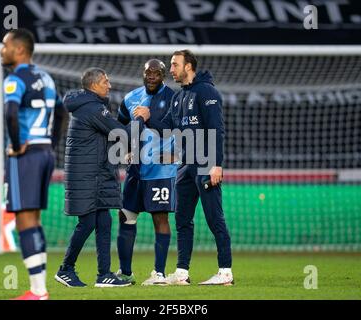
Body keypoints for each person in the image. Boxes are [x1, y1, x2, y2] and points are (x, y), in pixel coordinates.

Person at [134, 50, 234, 286]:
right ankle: (182, 273)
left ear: (188, 66)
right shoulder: (179, 97)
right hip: (185, 166)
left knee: (214, 218)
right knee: (182, 220)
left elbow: (216, 129)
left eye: (174, 64)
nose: (171, 69)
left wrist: (216, 164)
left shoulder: (207, 92)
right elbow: (166, 127)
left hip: (205, 163)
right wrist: (148, 118)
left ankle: (225, 272)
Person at [54, 67, 148, 288]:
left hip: (97, 175)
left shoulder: (89, 107)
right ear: (94, 84)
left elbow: (106, 138)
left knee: (104, 222)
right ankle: (66, 269)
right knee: (87, 224)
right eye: (106, 81)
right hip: (88, 177)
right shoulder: (93, 108)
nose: (109, 85)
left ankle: (104, 274)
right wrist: (140, 119)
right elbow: (122, 133)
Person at [1, 28, 67, 300]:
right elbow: (61, 111)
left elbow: (10, 112)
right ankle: (39, 289)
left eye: (5, 45)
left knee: (24, 220)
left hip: (25, 156)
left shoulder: (15, 79)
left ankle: (38, 292)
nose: (2, 50)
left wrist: (17, 146)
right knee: (35, 220)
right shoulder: (47, 78)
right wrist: (50, 144)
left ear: (19, 50)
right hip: (45, 155)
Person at [115, 59, 177, 286]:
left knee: (160, 218)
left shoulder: (173, 98)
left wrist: (150, 120)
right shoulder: (131, 98)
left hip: (161, 168)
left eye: (157, 73)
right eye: (148, 73)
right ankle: (125, 272)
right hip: (135, 170)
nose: (152, 76)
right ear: (142, 74)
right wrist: (126, 148)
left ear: (163, 75)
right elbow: (120, 125)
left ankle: (159, 274)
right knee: (125, 216)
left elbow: (180, 130)